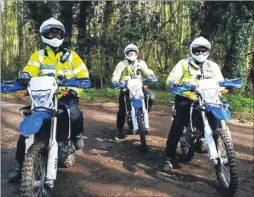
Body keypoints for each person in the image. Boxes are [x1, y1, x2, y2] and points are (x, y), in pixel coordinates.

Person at [8, 18, 90, 182]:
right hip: (42, 99)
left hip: (65, 96)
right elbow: (30, 69)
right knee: (27, 128)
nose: (53, 35)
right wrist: (25, 75)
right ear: (44, 35)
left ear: (62, 34)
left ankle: (76, 135)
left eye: (56, 32)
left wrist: (75, 90)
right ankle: (21, 165)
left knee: (74, 113)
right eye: (50, 32)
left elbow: (83, 76)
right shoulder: (38, 55)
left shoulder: (72, 56)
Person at [163, 36, 224, 171]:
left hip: (208, 98)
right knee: (178, 124)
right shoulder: (183, 64)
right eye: (197, 51)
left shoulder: (212, 66)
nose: (200, 54)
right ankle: (169, 157)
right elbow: (172, 78)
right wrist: (173, 82)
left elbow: (220, 80)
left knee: (219, 116)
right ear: (192, 50)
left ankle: (223, 147)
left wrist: (225, 86)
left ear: (208, 51)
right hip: (187, 98)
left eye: (203, 50)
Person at [112, 44, 156, 140]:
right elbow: (116, 75)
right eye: (130, 53)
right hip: (126, 88)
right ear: (126, 53)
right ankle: (120, 131)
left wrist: (150, 75)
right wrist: (115, 81)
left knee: (151, 97)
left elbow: (147, 71)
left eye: (133, 53)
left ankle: (143, 114)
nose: (132, 54)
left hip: (139, 87)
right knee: (122, 109)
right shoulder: (121, 64)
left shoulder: (141, 63)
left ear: (136, 53)